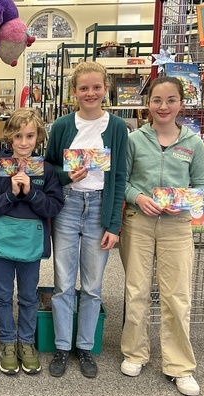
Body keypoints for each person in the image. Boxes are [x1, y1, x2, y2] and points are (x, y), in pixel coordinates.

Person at [119, 76, 204, 396]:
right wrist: (138, 197)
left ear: (181, 104)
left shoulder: (193, 143)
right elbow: (122, 181)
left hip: (177, 226)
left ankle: (179, 366)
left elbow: (203, 186)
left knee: (177, 296)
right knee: (137, 290)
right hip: (138, 222)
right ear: (148, 104)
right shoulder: (134, 140)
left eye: (171, 100)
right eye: (157, 100)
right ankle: (135, 352)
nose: (163, 106)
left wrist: (183, 201)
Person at [44, 61, 127, 379]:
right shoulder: (62, 125)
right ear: (74, 91)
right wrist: (68, 175)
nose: (90, 93)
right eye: (83, 88)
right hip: (67, 205)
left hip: (98, 208)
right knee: (64, 283)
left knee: (92, 285)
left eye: (96, 87)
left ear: (106, 88)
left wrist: (114, 225)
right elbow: (49, 168)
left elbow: (119, 177)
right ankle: (62, 346)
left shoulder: (117, 127)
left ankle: (85, 347)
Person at [0, 108, 64, 375]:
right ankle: (8, 342)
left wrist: (30, 193)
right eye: (18, 136)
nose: (23, 142)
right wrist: (11, 194)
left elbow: (53, 206)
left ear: (38, 137)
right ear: (9, 137)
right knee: (2, 295)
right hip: (3, 243)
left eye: (29, 136)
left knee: (29, 296)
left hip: (31, 243)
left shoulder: (46, 170)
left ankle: (26, 342)